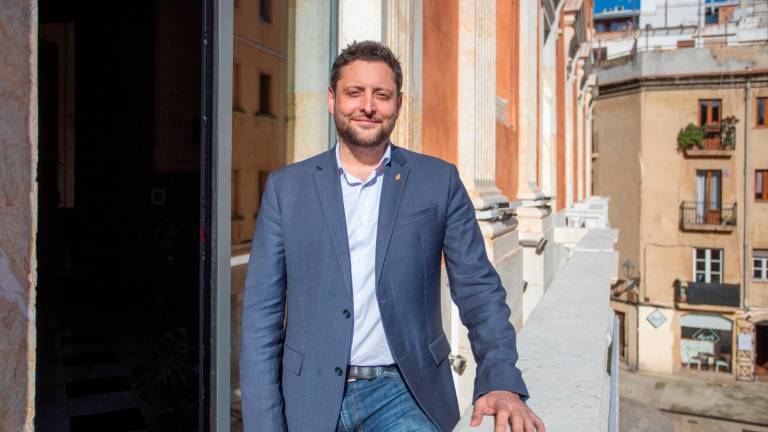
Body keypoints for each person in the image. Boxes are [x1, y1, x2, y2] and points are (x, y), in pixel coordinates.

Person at [240, 40, 545, 432]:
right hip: (311, 398)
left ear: (398, 104)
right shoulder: (287, 189)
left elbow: (478, 289)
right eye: (354, 92)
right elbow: (261, 319)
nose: (368, 106)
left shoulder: (438, 181)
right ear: (332, 99)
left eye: (381, 95)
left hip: (404, 393)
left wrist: (500, 379)